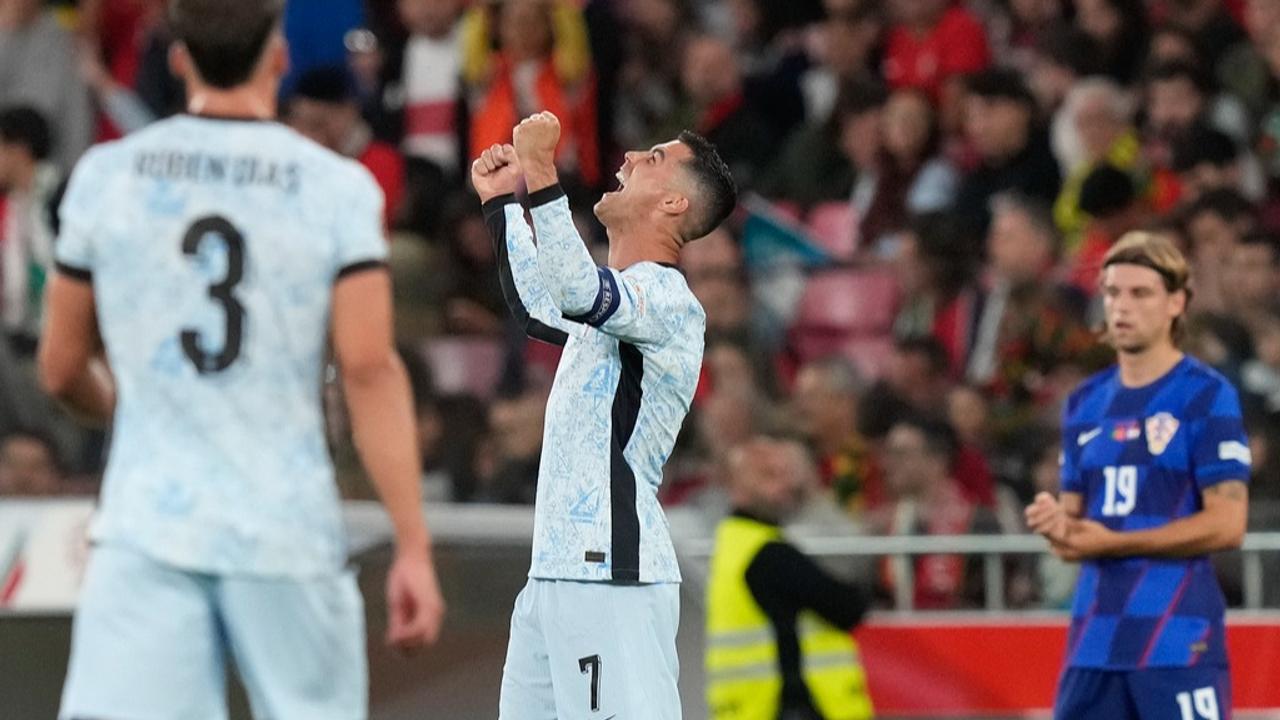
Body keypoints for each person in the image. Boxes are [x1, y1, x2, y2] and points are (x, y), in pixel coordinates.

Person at [38, 1, 445, 718]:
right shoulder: (336, 187)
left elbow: (62, 366)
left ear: (177, 58)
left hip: (147, 525)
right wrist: (412, 543)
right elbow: (367, 368)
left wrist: (130, 411)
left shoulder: (106, 177)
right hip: (283, 526)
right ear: (279, 58)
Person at [470, 110, 736, 718]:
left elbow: (573, 291)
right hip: (553, 574)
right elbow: (541, 306)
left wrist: (540, 170)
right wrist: (501, 205)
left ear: (672, 203)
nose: (629, 158)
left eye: (653, 158)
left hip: (611, 573)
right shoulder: (614, 301)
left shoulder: (667, 301)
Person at [1026, 231, 1250, 720]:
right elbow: (1076, 536)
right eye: (1112, 293)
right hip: (1094, 641)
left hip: (1175, 637)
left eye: (1140, 293)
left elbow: (1228, 525)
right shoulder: (1084, 404)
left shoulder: (1206, 395)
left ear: (1176, 302)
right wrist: (1056, 527)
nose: (1121, 307)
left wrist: (1115, 542)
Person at [705, 435, 874, 720]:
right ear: (736, 488)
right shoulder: (767, 554)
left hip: (750, 707)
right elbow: (848, 607)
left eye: (785, 474)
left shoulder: (734, 542)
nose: (784, 486)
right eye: (768, 476)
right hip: (786, 705)